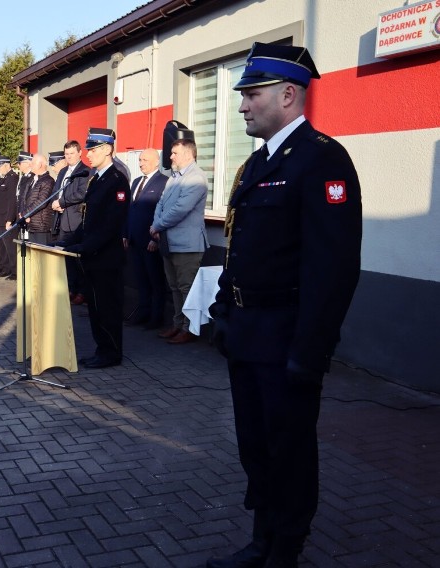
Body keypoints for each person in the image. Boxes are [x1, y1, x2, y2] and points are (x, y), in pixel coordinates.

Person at [206, 43, 362, 568]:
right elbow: (242, 241)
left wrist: (311, 350)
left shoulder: (323, 159)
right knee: (255, 444)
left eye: (251, 94)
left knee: (289, 450)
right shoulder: (257, 163)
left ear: (288, 95)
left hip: (288, 336)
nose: (243, 105)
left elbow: (333, 268)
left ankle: (285, 551)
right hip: (248, 332)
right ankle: (261, 541)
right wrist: (225, 309)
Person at [60, 128, 130, 368]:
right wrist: (66, 243)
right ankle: (102, 349)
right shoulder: (96, 179)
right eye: (88, 149)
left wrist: (83, 246)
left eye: (94, 149)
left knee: (107, 308)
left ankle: (111, 353)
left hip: (106, 259)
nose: (88, 154)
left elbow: (110, 225)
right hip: (93, 258)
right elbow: (88, 220)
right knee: (96, 309)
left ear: (108, 149)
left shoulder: (117, 181)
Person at [149, 137, 208, 344]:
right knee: (174, 287)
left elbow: (180, 209)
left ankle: (189, 329)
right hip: (170, 242)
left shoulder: (196, 178)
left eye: (175, 153)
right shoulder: (174, 177)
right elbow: (161, 204)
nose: (170, 156)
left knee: (187, 288)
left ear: (188, 154)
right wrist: (156, 225)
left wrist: (157, 226)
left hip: (188, 245)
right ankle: (177, 324)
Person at [123, 148, 168, 329]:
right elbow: (128, 210)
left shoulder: (164, 182)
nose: (141, 163)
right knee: (141, 280)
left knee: (155, 280)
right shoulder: (135, 182)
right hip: (134, 239)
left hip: (150, 241)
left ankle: (156, 318)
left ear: (156, 162)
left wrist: (156, 239)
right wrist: (125, 233)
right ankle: (143, 312)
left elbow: (163, 213)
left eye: (146, 160)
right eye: (140, 160)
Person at [51, 140, 90, 304]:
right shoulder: (63, 171)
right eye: (66, 154)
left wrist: (62, 202)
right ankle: (71, 288)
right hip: (62, 220)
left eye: (72, 153)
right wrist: (56, 202)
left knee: (78, 259)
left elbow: (81, 193)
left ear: (80, 153)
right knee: (66, 258)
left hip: (76, 221)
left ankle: (82, 291)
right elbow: (56, 190)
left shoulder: (85, 171)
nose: (69, 157)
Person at [22, 154, 54, 245]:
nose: (30, 165)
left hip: (41, 226)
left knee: (42, 256)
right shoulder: (32, 180)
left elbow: (41, 201)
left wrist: (25, 214)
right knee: (33, 257)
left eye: (32, 163)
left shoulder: (48, 181)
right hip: (31, 225)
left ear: (40, 165)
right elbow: (25, 198)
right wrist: (24, 214)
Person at [15, 151, 33, 223]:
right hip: (20, 213)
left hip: (27, 215)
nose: (18, 165)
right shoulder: (23, 177)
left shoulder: (33, 176)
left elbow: (31, 197)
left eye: (20, 163)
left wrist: (27, 213)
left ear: (28, 164)